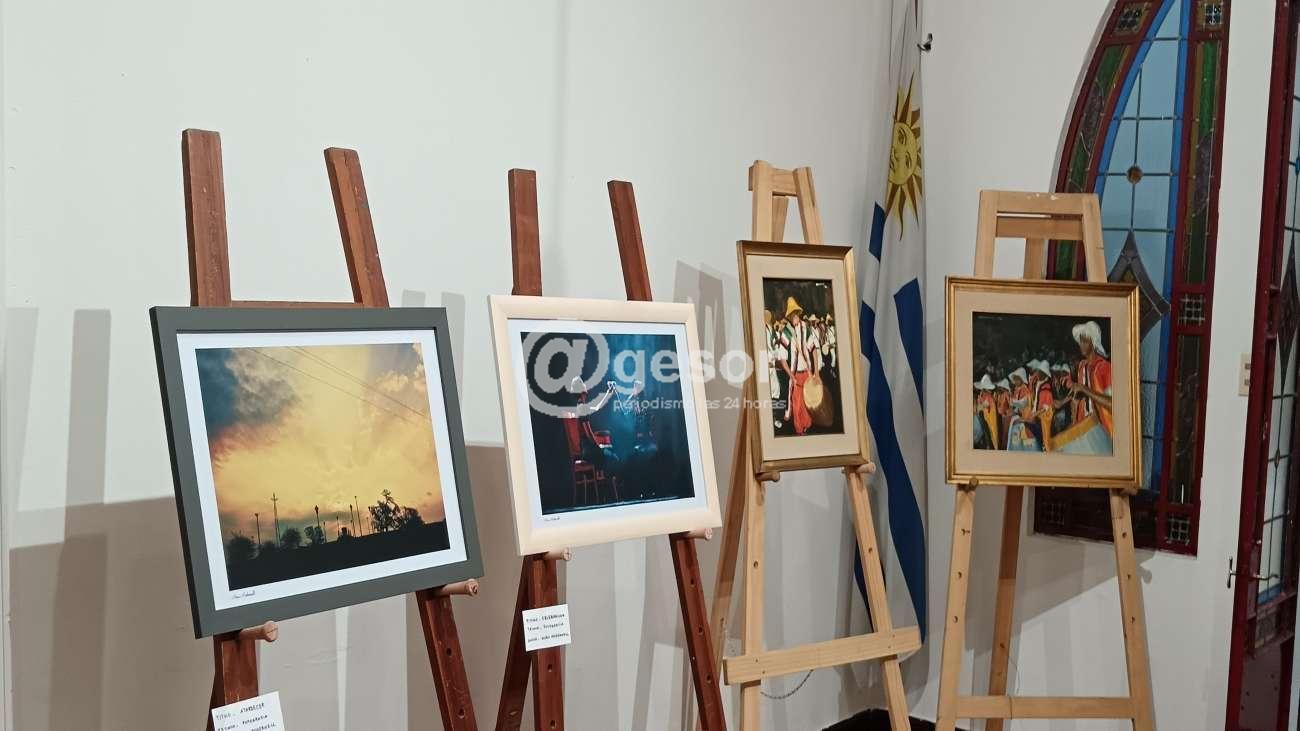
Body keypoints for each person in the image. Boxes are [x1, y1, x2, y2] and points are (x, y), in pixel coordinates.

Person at [776, 296, 821, 435]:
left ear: (798, 313)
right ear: (789, 316)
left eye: (795, 313)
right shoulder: (786, 332)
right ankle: (799, 430)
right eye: (791, 314)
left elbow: (814, 350)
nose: (794, 316)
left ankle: (806, 427)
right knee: (796, 403)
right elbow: (782, 359)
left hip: (807, 373)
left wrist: (816, 373)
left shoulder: (806, 328)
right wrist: (791, 376)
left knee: (807, 402)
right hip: (795, 374)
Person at [1070, 320, 1113, 437]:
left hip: (1101, 431)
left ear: (1093, 342)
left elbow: (1111, 404)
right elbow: (1078, 399)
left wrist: (1084, 389)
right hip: (1083, 429)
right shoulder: (1081, 366)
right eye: (1080, 341)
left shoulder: (1105, 367)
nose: (1081, 345)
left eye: (1085, 341)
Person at [1006, 367, 1042, 451]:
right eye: (1014, 379)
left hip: (1027, 416)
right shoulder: (1016, 390)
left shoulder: (1025, 390)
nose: (1015, 382)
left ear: (1022, 379)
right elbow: (1016, 406)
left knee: (1019, 429)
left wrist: (1013, 403)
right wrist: (1014, 410)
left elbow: (1023, 404)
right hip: (1021, 415)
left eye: (1017, 379)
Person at [973, 374, 998, 449]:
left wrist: (979, 406)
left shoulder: (989, 396)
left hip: (988, 419)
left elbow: (985, 406)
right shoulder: (983, 394)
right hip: (984, 417)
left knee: (989, 434)